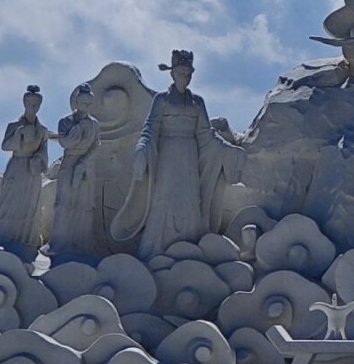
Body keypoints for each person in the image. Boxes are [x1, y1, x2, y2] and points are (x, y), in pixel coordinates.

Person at [110, 50, 242, 259]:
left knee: (190, 199)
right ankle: (156, 252)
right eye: (181, 72)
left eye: (188, 73)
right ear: (172, 74)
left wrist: (227, 150)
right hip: (168, 156)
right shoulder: (161, 100)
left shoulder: (197, 102)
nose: (185, 77)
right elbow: (150, 129)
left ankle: (189, 252)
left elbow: (206, 134)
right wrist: (142, 148)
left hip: (189, 156)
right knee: (165, 198)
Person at [0, 85, 53, 258]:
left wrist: (38, 161)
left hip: (32, 172)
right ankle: (2, 238)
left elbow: (44, 153)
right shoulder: (14, 126)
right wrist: (19, 135)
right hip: (17, 166)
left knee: (30, 206)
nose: (33, 107)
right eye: (30, 103)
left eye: (36, 104)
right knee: (9, 205)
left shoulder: (42, 130)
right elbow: (5, 146)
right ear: (24, 103)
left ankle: (25, 240)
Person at [47, 82, 106, 260]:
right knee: (65, 202)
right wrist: (78, 129)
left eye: (89, 104)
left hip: (86, 166)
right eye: (82, 103)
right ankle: (59, 243)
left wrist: (85, 162)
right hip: (70, 161)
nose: (86, 107)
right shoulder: (66, 122)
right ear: (76, 102)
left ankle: (81, 244)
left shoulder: (94, 124)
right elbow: (65, 142)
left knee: (84, 205)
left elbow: (97, 144)